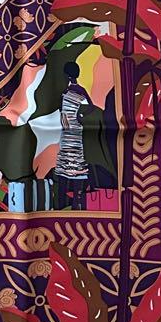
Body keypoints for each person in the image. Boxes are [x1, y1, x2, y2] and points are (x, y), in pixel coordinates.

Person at [54, 60, 91, 210]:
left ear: (65, 75)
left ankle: (62, 205)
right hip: (77, 135)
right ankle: (76, 204)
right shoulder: (81, 91)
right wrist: (79, 118)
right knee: (77, 168)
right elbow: (90, 108)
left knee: (64, 170)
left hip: (67, 134)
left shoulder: (65, 92)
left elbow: (61, 112)